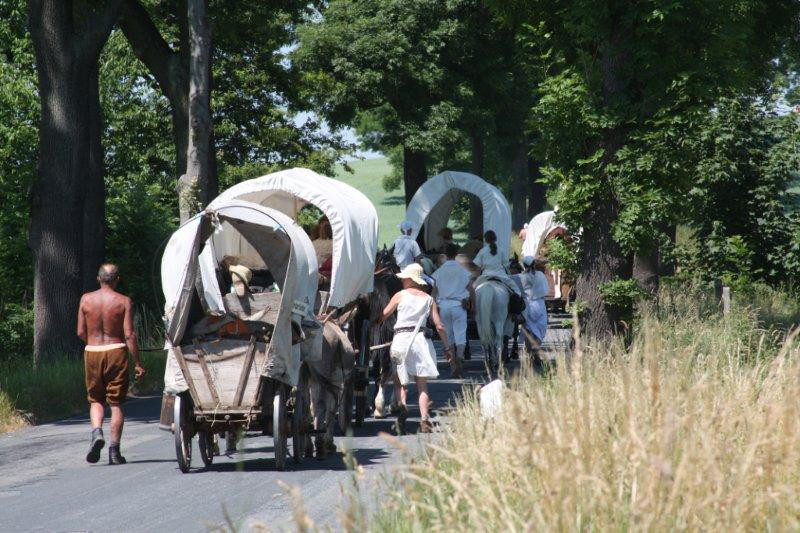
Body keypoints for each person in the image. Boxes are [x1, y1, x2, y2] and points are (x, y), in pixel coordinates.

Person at [77, 264, 145, 465]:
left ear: (98, 279)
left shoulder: (85, 299)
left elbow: (80, 332)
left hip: (92, 351)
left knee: (96, 399)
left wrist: (93, 344)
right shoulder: (124, 301)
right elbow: (129, 335)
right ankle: (114, 452)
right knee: (115, 403)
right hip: (116, 350)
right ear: (117, 280)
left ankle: (97, 432)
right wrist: (138, 363)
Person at [379, 263, 451, 434]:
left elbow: (383, 315)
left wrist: (374, 322)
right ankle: (424, 419)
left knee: (399, 383)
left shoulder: (400, 295)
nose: (402, 281)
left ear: (411, 279)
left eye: (404, 278)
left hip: (401, 340)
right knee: (422, 386)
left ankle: (403, 407)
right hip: (420, 341)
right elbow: (439, 326)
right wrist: (447, 348)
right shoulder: (429, 299)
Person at [431, 244, 473, 378]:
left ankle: (452, 365)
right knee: (460, 334)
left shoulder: (439, 271)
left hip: (444, 307)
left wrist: (433, 310)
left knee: (448, 337)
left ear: (445, 254)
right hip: (459, 306)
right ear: (456, 254)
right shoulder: (462, 270)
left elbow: (434, 293)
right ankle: (459, 357)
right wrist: (474, 307)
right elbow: (471, 289)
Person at [515, 256, 550, 354]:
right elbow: (546, 290)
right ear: (534, 264)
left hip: (527, 306)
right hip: (540, 304)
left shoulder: (520, 277)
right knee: (540, 328)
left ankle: (529, 352)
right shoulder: (540, 275)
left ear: (524, 265)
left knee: (528, 329)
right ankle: (536, 350)